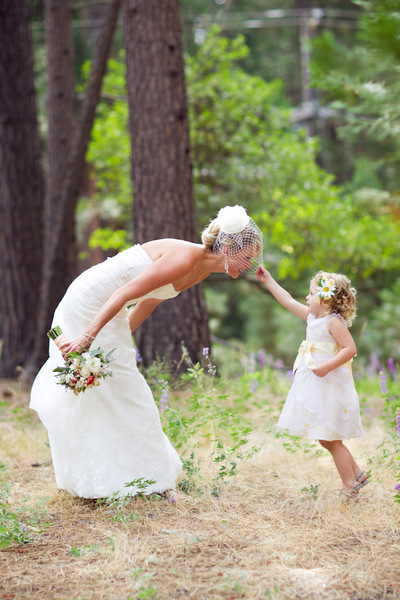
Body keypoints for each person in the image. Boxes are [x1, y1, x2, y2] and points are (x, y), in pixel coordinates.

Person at [30, 205, 263, 500]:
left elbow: (149, 302)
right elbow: (123, 294)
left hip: (112, 310)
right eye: (247, 256)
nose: (251, 264)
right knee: (125, 388)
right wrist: (89, 338)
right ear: (228, 247)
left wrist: (119, 344)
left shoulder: (200, 271)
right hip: (90, 302)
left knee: (117, 380)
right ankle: (143, 481)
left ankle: (140, 478)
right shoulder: (185, 258)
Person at [255, 266, 369, 499]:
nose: (306, 297)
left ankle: (350, 486)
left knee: (331, 439)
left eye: (310, 293)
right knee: (325, 437)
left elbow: (350, 349)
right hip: (317, 384)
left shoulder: (333, 322)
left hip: (330, 385)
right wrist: (268, 281)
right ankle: (357, 474)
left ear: (325, 299)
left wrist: (326, 367)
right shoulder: (313, 317)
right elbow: (286, 301)